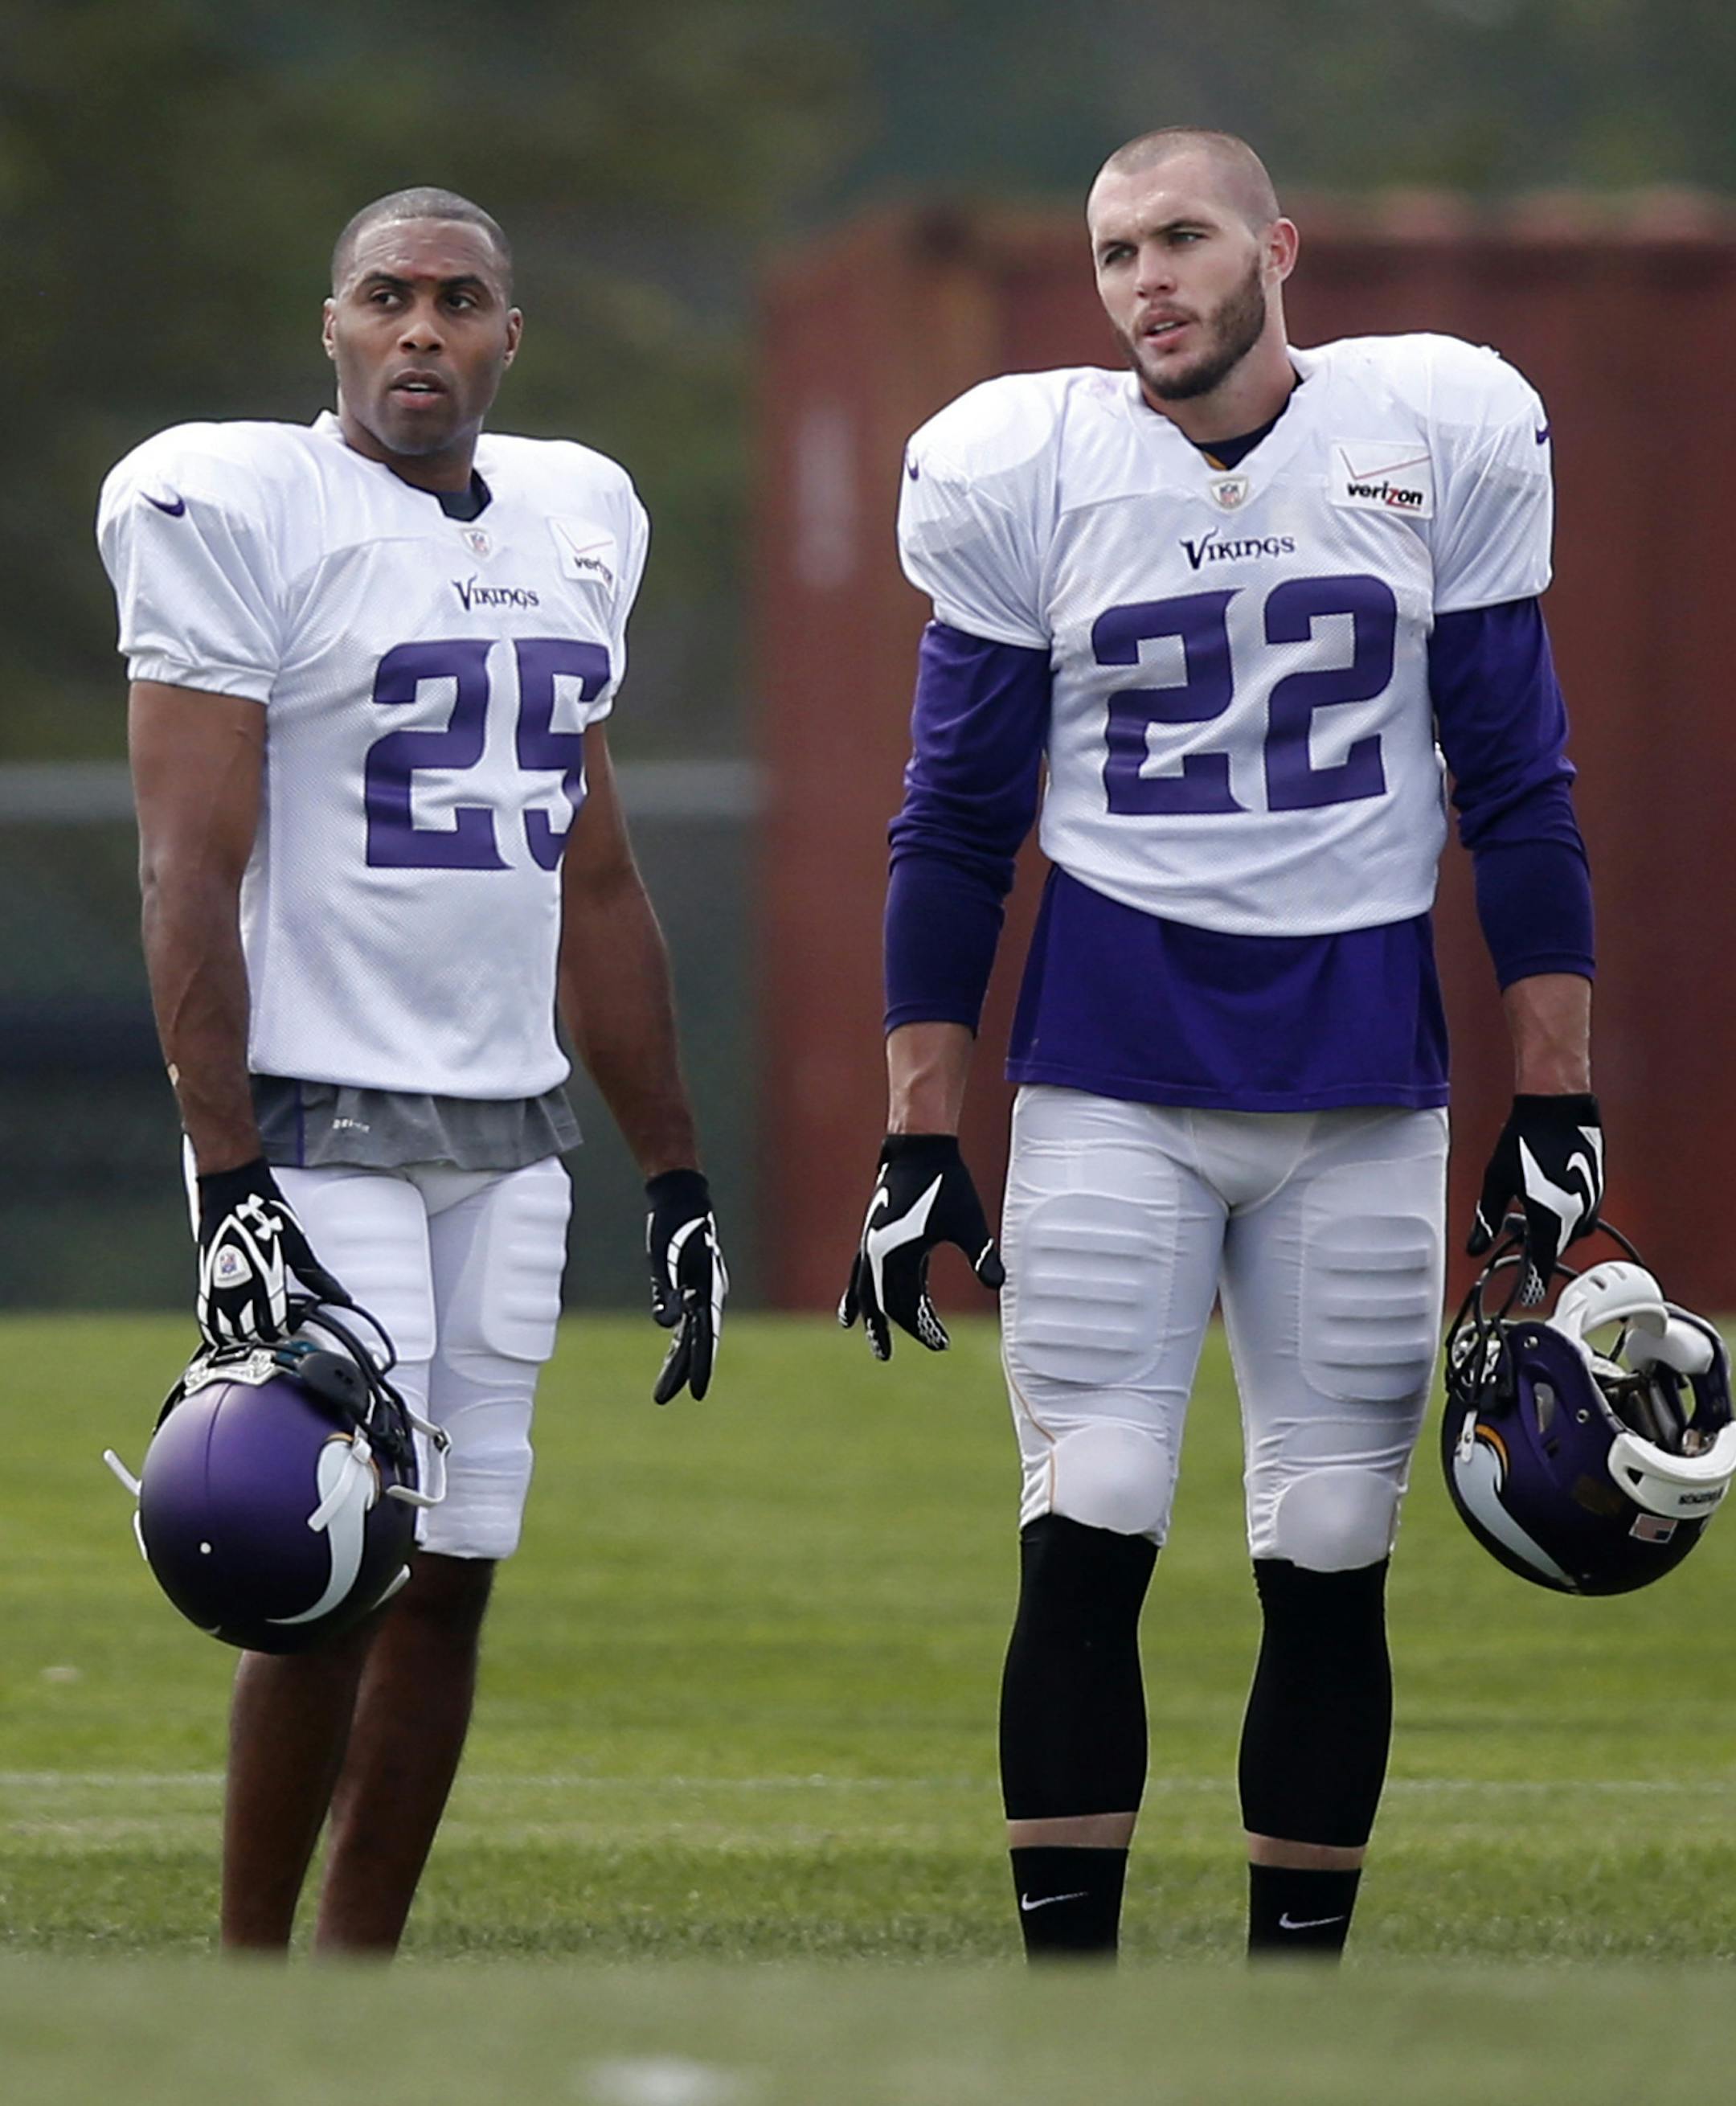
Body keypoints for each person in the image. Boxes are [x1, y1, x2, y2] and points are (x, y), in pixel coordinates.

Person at [841, 128, 1602, 1961]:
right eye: (1112, 254)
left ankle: (1287, 2011)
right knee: (1092, 1510)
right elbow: (951, 821)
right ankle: (1077, 2007)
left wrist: (1559, 1090)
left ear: (1277, 246)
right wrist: (916, 1126)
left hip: (1365, 1081)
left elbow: (1520, 787)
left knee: (1335, 1542)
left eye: (1179, 239)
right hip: (1112, 1073)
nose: (1144, 284)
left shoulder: (1435, 431)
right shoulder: (1027, 468)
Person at [97, 187, 726, 1956]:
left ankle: (362, 1987)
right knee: (327, 1576)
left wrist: (672, 1171)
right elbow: (183, 870)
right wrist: (226, 1179)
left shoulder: (579, 515)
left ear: (509, 336)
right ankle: (247, 1972)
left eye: (461, 301)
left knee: (453, 1574)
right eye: (390, 297)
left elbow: (592, 876)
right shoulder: (241, 505)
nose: (425, 330)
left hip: (510, 1132)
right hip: (316, 1121)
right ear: (335, 326)